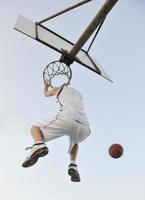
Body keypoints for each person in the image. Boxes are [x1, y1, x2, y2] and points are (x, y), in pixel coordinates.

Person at [22, 81, 90, 182]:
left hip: (68, 119)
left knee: (35, 128)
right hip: (85, 128)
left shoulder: (61, 89)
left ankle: (39, 145)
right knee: (75, 141)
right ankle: (73, 164)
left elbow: (46, 94)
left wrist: (46, 86)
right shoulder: (79, 94)